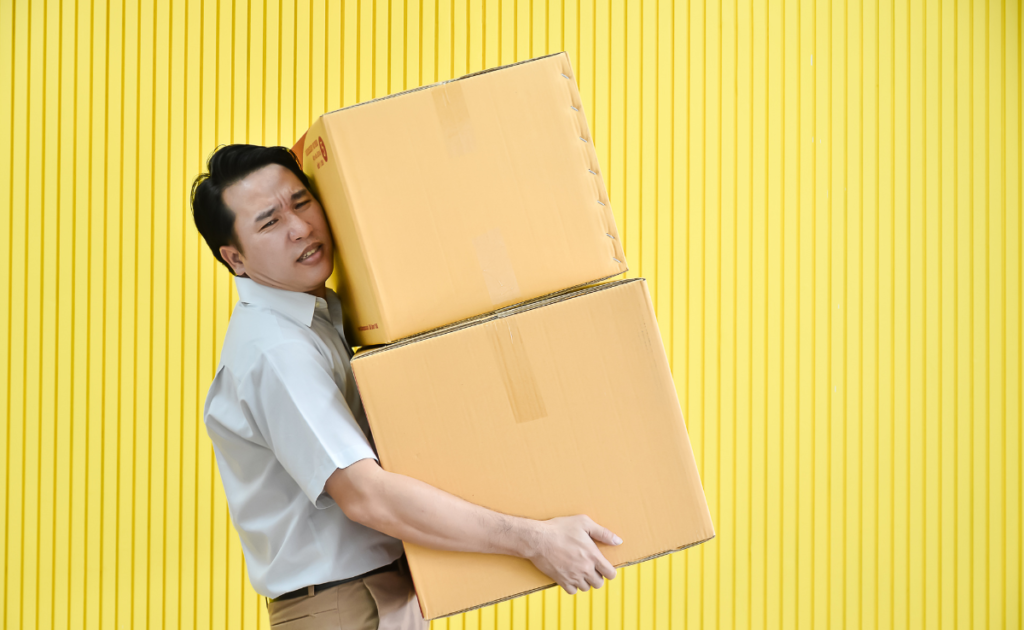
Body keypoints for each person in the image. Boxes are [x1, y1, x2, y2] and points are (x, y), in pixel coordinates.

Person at [190, 144, 622, 629]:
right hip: (346, 608)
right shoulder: (275, 351)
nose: (300, 227)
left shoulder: (316, 317)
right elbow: (365, 496)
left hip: (381, 594)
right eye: (269, 222)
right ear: (235, 258)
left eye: (301, 201)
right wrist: (535, 540)